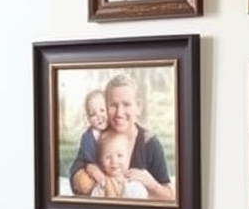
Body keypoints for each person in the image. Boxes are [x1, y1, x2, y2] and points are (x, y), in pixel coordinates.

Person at [68, 71, 174, 200]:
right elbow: (77, 177)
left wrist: (152, 184)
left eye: (126, 104)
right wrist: (91, 171)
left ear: (138, 106)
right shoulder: (96, 137)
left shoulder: (149, 144)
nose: (119, 112)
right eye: (113, 105)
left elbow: (171, 197)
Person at [88, 128, 149, 199]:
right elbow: (93, 207)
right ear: (101, 161)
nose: (114, 161)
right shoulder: (101, 185)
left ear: (128, 157)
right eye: (108, 157)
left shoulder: (135, 184)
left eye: (119, 155)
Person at [73, 89, 108, 170]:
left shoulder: (113, 131)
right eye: (93, 114)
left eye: (102, 110)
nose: (99, 116)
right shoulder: (87, 138)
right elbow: (88, 161)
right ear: (88, 119)